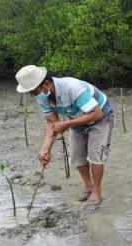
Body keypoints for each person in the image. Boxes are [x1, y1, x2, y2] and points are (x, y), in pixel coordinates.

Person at [15, 65, 113, 207]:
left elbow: (96, 114)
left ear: (46, 84)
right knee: (76, 154)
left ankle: (96, 190)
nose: (32, 95)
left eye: (33, 91)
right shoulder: (42, 96)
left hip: (100, 115)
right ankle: (89, 187)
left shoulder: (72, 87)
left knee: (95, 154)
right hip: (77, 117)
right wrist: (45, 149)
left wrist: (67, 124)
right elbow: (52, 122)